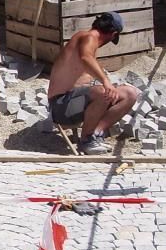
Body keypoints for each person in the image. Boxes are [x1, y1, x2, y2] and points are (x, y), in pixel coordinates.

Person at [47, 11, 139, 155]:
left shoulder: (86, 40)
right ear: (113, 34)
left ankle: (96, 133)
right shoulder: (88, 37)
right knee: (103, 92)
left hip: (72, 104)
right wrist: (106, 82)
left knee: (130, 94)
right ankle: (87, 140)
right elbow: (86, 58)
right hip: (60, 107)